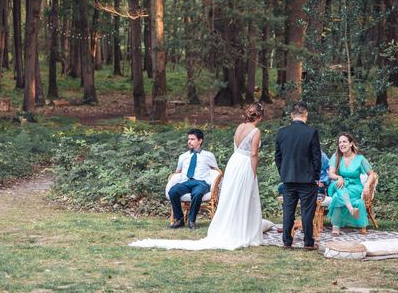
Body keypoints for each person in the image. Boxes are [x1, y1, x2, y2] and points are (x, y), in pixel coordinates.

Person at [130, 102, 265, 250]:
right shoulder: (255, 131)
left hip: (233, 163)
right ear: (259, 116)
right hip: (245, 163)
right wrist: (253, 171)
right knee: (244, 195)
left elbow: (225, 159)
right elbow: (253, 153)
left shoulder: (239, 127)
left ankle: (227, 225)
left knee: (232, 195)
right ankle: (240, 229)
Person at [275, 101, 322, 250]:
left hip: (288, 178)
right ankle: (308, 243)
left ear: (291, 115)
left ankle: (287, 242)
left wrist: (283, 173)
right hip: (307, 179)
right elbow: (316, 158)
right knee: (307, 211)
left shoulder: (282, 133)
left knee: (288, 210)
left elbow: (278, 157)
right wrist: (316, 176)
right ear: (306, 115)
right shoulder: (311, 132)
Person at [167, 128, 220, 229]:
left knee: (197, 193)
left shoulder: (208, 155)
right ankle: (180, 219)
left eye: (192, 139)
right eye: (188, 139)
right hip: (186, 182)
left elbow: (216, 171)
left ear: (200, 141)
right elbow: (178, 172)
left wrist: (215, 182)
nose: (189, 141)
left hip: (201, 183)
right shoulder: (183, 156)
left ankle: (191, 220)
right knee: (173, 191)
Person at [327, 132, 377, 236]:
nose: (341, 144)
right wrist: (339, 177)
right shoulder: (336, 157)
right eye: (340, 142)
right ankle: (351, 209)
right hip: (339, 184)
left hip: (355, 187)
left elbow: (371, 174)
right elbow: (331, 174)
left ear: (351, 144)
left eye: (344, 141)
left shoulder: (360, 159)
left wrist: (367, 185)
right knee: (339, 187)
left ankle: (335, 226)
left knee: (337, 197)